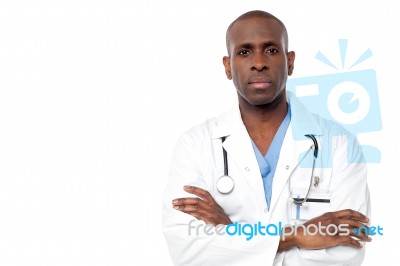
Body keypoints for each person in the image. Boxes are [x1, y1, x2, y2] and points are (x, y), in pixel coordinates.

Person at [162, 10, 371, 266]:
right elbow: (189, 250)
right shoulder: (195, 144)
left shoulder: (339, 143)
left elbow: (346, 253)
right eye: (244, 52)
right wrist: (294, 237)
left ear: (290, 62)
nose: (258, 62)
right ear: (228, 67)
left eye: (271, 50)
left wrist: (231, 233)